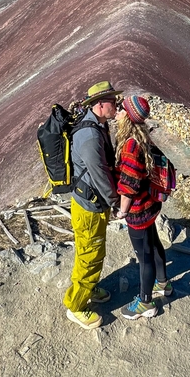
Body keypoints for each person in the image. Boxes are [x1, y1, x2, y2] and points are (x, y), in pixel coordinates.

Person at [63, 80, 122, 330]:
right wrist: (115, 202)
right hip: (90, 207)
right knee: (89, 255)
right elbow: (99, 173)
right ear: (100, 105)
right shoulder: (89, 136)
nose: (116, 105)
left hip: (88, 203)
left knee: (91, 253)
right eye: (112, 102)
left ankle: (89, 288)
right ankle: (75, 306)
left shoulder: (96, 126)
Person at [115, 95, 173, 319]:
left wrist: (122, 211)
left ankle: (145, 303)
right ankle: (163, 284)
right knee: (154, 243)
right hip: (150, 206)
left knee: (144, 256)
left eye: (121, 110)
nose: (117, 113)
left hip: (138, 210)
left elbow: (129, 185)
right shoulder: (143, 138)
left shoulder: (130, 145)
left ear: (128, 117)